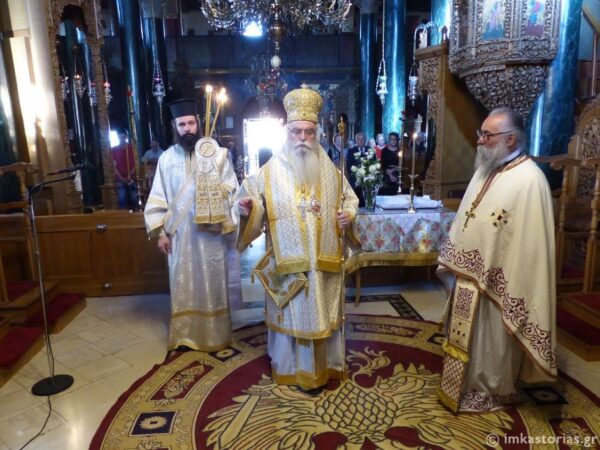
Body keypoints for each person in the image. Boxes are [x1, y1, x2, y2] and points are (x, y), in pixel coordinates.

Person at [236, 87, 358, 391]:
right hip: (288, 263)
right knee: (290, 314)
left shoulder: (330, 168)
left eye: (309, 132)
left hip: (324, 263)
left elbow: (349, 199)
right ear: (287, 132)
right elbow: (251, 198)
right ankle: (289, 368)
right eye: (296, 131)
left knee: (323, 313)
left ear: (317, 133)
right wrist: (247, 207)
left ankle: (328, 366)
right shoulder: (270, 170)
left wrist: (348, 215)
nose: (302, 137)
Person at [436, 107, 557, 413]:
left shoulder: (531, 180)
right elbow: (467, 218)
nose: (480, 140)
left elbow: (529, 246)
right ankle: (465, 383)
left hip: (501, 281)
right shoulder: (485, 169)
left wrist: (497, 268)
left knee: (493, 338)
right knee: (469, 335)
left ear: (510, 139)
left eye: (487, 135)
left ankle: (495, 388)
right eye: (481, 133)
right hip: (469, 276)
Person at [144, 98, 238, 352]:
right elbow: (158, 197)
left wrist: (216, 193)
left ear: (198, 123)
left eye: (191, 123)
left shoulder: (218, 156)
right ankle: (185, 335)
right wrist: (160, 233)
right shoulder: (166, 159)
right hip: (180, 236)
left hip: (210, 235)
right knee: (183, 284)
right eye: (182, 124)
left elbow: (232, 188)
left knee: (212, 283)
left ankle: (216, 335)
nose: (187, 129)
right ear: (175, 127)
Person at [111, 128, 138, 210]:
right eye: (120, 137)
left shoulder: (132, 148)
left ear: (126, 137)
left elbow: (136, 164)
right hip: (120, 178)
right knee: (121, 197)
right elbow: (114, 166)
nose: (122, 139)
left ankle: (136, 212)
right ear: (118, 138)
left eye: (123, 137)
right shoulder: (114, 149)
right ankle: (123, 213)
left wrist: (129, 176)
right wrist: (121, 178)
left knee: (134, 198)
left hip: (131, 177)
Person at [346, 132, 369, 206]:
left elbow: (373, 164)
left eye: (362, 139)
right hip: (355, 179)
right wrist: (358, 175)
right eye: (358, 139)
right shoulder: (351, 151)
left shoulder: (370, 150)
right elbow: (349, 166)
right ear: (356, 140)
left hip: (367, 180)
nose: (360, 141)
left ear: (365, 140)